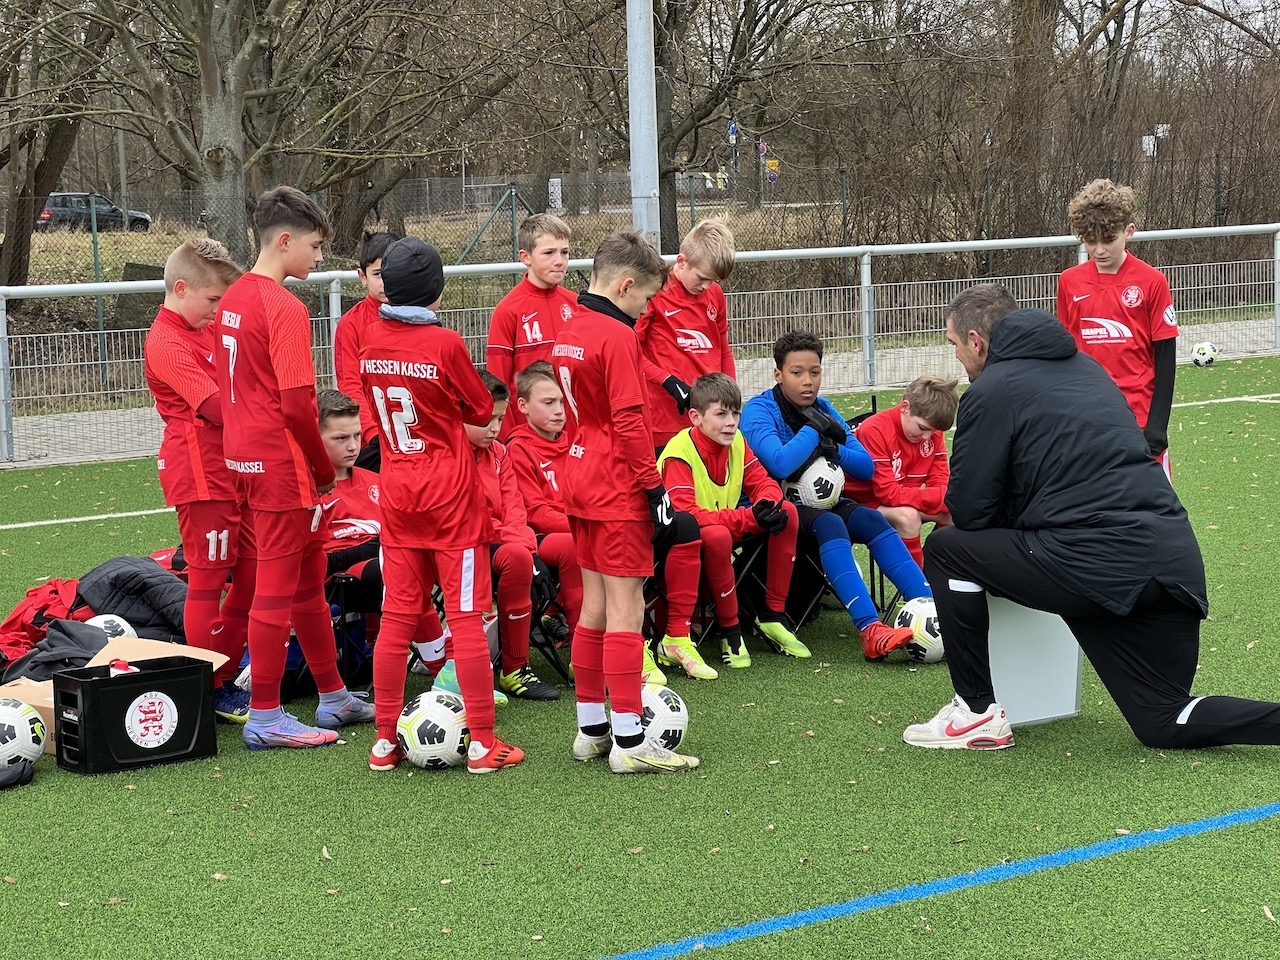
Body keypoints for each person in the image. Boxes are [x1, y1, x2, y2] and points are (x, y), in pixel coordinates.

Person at [903, 284, 1280, 752]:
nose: (957, 356)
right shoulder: (1090, 369)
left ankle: (975, 712)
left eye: (954, 344)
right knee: (1163, 720)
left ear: (976, 342)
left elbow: (972, 513)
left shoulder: (990, 391)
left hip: (1093, 564)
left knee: (947, 550)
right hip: (1174, 567)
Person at [214, 186, 374, 750]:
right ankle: (264, 714)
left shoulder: (233, 296)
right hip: (280, 466)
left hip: (244, 457)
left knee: (307, 581)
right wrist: (322, 469)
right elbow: (297, 405)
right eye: (315, 245)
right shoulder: (283, 306)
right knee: (277, 590)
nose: (320, 257)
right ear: (284, 241)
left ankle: (333, 695)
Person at [359, 236, 523, 773]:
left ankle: (384, 742)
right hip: (450, 501)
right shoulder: (445, 343)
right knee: (467, 618)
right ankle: (482, 743)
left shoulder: (369, 341)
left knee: (395, 620)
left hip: (397, 494)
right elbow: (479, 407)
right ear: (437, 290)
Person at [552, 230, 699, 773]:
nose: (645, 309)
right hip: (615, 484)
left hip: (579, 475)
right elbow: (629, 421)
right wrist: (654, 487)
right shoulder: (616, 335)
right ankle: (631, 740)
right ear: (625, 285)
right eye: (645, 298)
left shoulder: (568, 326)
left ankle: (591, 730)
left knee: (593, 605)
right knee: (626, 609)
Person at [740, 330, 928, 660]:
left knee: (870, 519)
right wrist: (815, 430)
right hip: (774, 509)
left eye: (815, 372)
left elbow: (866, 467)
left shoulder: (823, 407)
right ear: (778, 374)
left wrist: (835, 450)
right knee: (830, 524)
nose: (807, 381)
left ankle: (930, 607)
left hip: (823, 501)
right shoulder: (760, 410)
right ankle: (871, 629)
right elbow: (779, 463)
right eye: (797, 372)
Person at [143, 238, 252, 723]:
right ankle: (212, 684)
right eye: (212, 300)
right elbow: (215, 406)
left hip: (236, 465)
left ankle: (229, 666)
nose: (217, 310)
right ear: (182, 288)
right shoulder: (166, 342)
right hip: (201, 472)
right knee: (208, 582)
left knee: (251, 576)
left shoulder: (204, 325)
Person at [657, 373, 805, 668]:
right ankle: (731, 632)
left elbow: (763, 482)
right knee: (717, 535)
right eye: (721, 414)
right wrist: (748, 517)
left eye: (736, 413)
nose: (731, 422)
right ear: (695, 417)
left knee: (787, 511)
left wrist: (769, 504)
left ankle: (773, 615)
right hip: (681, 537)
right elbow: (686, 515)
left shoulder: (736, 441)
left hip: (724, 523)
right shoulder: (679, 453)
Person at [468, 370, 576, 702]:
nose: (494, 428)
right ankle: (514, 668)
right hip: (464, 544)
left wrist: (527, 549)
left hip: (509, 540)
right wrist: (525, 551)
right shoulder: (450, 456)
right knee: (518, 557)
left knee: (571, 547)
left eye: (500, 419)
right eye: (486, 419)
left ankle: (584, 652)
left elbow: (516, 509)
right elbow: (472, 519)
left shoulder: (499, 453)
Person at [1057, 178, 1177, 475]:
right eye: (1090, 241)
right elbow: (1064, 355)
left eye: (1108, 239)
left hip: (1139, 419)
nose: (1099, 250)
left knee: (1153, 503)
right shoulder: (1069, 282)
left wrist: (1157, 428)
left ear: (1129, 232)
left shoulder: (1152, 282)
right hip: (1087, 419)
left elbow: (1166, 358)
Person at [635, 219, 736, 451]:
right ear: (681, 261)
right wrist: (668, 381)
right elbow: (631, 352)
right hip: (664, 419)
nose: (706, 286)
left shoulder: (715, 294)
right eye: (702, 278)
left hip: (708, 418)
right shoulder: (654, 293)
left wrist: (731, 391)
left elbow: (723, 349)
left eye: (713, 280)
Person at [504, 361, 584, 650]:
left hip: (578, 526)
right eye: (548, 403)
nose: (559, 410)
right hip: (537, 537)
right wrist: (586, 526)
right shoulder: (518, 449)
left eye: (561, 402)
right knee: (574, 545)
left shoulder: (575, 442)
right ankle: (581, 641)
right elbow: (536, 514)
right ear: (522, 406)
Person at [842, 375, 958, 569]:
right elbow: (888, 493)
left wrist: (944, 497)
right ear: (905, 407)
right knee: (908, 517)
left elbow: (940, 481)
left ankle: (939, 576)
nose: (927, 437)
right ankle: (916, 586)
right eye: (922, 428)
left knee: (955, 513)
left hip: (903, 499)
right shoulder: (875, 430)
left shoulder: (931, 432)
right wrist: (941, 496)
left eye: (934, 431)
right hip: (862, 503)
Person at [485, 213, 577, 440]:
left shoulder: (576, 305)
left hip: (575, 433)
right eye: (549, 253)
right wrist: (510, 439)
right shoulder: (508, 310)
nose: (559, 261)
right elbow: (498, 383)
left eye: (564, 252)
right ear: (525, 257)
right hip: (527, 438)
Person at [332, 231, 399, 471]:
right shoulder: (351, 325)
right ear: (363, 276)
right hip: (374, 441)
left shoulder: (420, 317)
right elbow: (350, 385)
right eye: (378, 274)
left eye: (392, 272)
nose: (386, 281)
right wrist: (372, 434)